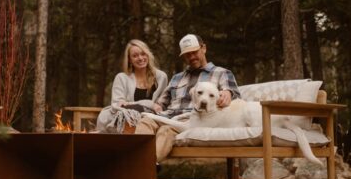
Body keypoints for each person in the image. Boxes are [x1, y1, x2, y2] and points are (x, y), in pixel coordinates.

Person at [135, 33, 241, 162]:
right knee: (145, 121)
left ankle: (144, 166)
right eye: (187, 54)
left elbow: (234, 94)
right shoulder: (177, 77)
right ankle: (136, 163)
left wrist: (228, 93)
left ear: (204, 48)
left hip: (192, 120)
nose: (191, 57)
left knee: (166, 130)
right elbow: (161, 103)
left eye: (194, 52)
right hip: (168, 116)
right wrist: (156, 106)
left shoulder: (222, 73)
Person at [94, 40, 169, 134]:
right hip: (127, 121)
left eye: (143, 54)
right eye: (135, 55)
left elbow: (161, 106)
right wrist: (150, 104)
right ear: (129, 59)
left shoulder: (161, 77)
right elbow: (118, 106)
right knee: (126, 117)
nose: (140, 58)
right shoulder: (122, 77)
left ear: (148, 55)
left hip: (151, 121)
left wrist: (130, 104)